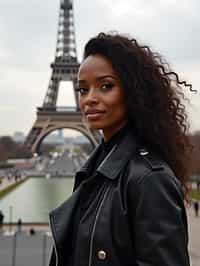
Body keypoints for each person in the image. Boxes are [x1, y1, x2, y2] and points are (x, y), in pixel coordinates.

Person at [49, 32, 194, 266]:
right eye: (83, 90)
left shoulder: (149, 179)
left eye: (106, 86)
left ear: (133, 91)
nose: (90, 99)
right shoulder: (100, 168)